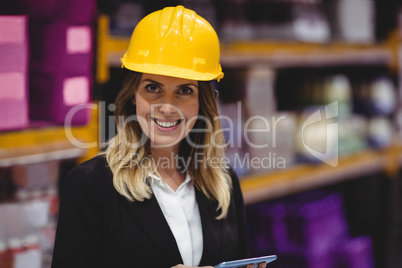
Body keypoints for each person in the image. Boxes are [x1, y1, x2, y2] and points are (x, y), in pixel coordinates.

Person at [51, 5, 267, 268]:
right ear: (133, 94)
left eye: (184, 91)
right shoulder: (91, 185)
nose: (167, 107)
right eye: (153, 88)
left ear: (203, 103)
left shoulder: (224, 183)